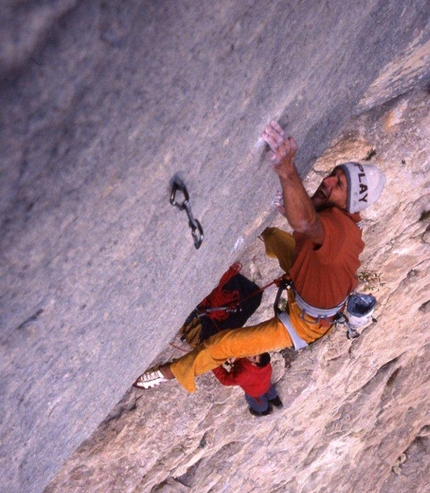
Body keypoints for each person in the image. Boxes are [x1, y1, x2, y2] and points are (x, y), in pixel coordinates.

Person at [134, 120, 385, 393]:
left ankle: (169, 373)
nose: (326, 181)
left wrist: (287, 171)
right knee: (277, 239)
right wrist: (293, 209)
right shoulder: (341, 219)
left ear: (349, 204)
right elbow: (309, 224)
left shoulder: (341, 234)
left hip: (305, 324)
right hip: (312, 283)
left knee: (223, 345)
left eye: (338, 184)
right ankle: (264, 234)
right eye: (334, 174)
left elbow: (307, 224)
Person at [212, 353, 283, 417]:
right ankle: (275, 400)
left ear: (254, 364)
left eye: (254, 357)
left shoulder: (243, 375)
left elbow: (225, 379)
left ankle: (264, 411)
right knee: (270, 392)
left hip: (255, 393)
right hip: (266, 383)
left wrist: (213, 364)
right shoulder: (264, 363)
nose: (251, 355)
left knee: (261, 405)